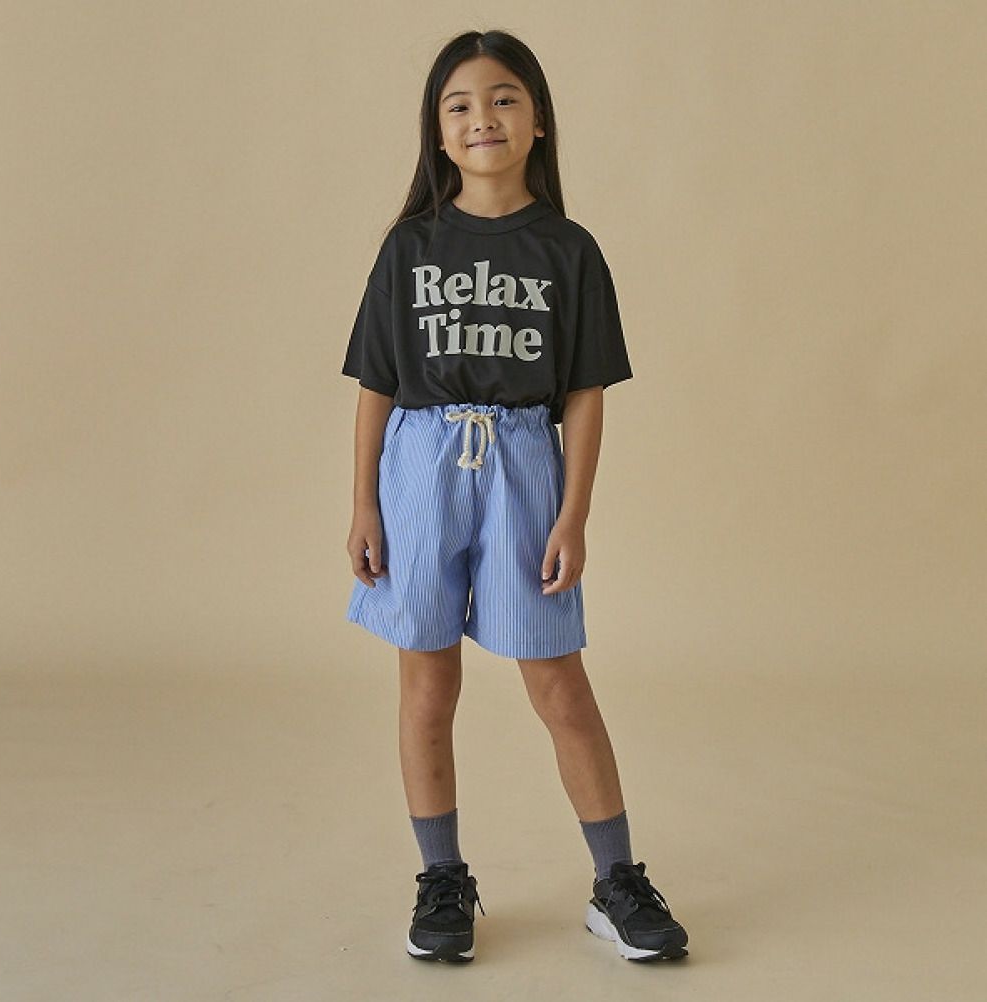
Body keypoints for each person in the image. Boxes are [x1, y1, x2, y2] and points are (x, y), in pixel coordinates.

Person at [341, 28, 689, 965]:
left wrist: (574, 513)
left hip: (525, 465)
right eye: (458, 105)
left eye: (503, 99)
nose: (482, 118)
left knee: (558, 681)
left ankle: (617, 882)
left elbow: (584, 395)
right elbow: (376, 382)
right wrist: (365, 503)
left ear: (537, 120)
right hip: (421, 463)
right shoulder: (410, 246)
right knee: (427, 683)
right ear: (438, 133)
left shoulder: (568, 250)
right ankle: (441, 880)